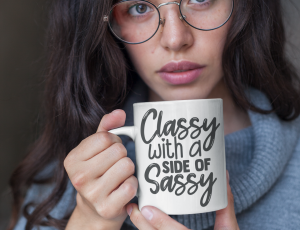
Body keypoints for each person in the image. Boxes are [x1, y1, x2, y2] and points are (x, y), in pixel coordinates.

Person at [7, 0, 300, 229]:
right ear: (112, 25)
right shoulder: (65, 171)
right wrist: (90, 220)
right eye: (139, 8)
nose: (175, 39)